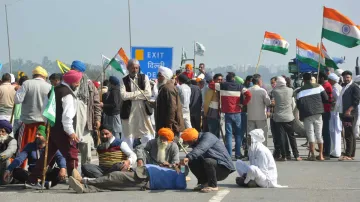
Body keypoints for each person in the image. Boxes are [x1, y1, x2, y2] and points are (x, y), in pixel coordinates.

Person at [27, 70, 82, 184]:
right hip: (63, 130)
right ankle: (75, 180)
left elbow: (44, 111)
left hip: (51, 128)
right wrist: (70, 132)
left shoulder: (53, 90)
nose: (78, 84)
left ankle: (33, 178)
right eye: (77, 82)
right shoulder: (67, 94)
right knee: (72, 153)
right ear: (72, 81)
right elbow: (67, 116)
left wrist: (49, 126)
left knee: (47, 154)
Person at [14, 66, 51, 168]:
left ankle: (19, 171)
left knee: (23, 149)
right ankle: (40, 170)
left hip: (28, 123)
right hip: (43, 124)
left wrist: (18, 90)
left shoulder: (27, 84)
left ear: (33, 75)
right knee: (41, 149)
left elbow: (17, 100)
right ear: (44, 76)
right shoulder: (48, 86)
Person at [68, 163, 186, 193]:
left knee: (114, 177)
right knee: (113, 185)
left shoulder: (180, 178)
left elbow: (181, 185)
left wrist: (180, 171)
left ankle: (84, 181)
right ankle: (84, 188)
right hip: (142, 173)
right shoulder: (172, 171)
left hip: (145, 179)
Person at [181, 128, 235, 193]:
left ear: (194, 139)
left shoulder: (208, 137)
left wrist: (188, 157)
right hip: (212, 166)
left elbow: (201, 148)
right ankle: (204, 183)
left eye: (188, 142)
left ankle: (213, 186)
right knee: (193, 160)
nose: (188, 144)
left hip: (223, 168)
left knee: (208, 161)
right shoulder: (196, 142)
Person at [214, 72, 252, 159]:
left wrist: (220, 81)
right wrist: (243, 104)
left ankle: (229, 154)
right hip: (237, 112)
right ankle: (238, 154)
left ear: (226, 79)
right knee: (238, 134)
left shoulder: (222, 85)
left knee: (229, 134)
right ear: (233, 79)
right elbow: (249, 95)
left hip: (227, 113)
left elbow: (211, 85)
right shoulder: (239, 86)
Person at [71, 60, 101, 165]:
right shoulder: (67, 83)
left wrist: (97, 119)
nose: (73, 72)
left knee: (85, 150)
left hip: (86, 122)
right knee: (70, 149)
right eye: (72, 69)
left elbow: (96, 104)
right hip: (70, 121)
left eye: (75, 70)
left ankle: (85, 170)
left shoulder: (89, 85)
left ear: (81, 71)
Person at [120, 59, 155, 148]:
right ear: (128, 68)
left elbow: (148, 94)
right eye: (133, 68)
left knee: (146, 132)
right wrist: (139, 93)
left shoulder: (144, 77)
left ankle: (147, 153)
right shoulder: (123, 80)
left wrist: (131, 96)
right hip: (129, 110)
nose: (135, 70)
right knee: (129, 134)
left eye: (136, 68)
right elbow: (123, 96)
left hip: (142, 109)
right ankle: (130, 157)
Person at [296, 73, 328, 161]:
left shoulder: (300, 91)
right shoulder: (319, 87)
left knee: (310, 134)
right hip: (318, 113)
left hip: (307, 114)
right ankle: (321, 155)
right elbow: (326, 98)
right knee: (319, 134)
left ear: (303, 80)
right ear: (311, 79)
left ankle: (312, 155)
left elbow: (298, 105)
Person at [272, 76, 301, 161]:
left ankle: (284, 156)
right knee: (291, 136)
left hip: (278, 118)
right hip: (289, 117)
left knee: (281, 137)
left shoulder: (275, 91)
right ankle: (296, 155)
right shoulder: (290, 90)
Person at [336, 71, 360, 161]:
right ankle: (350, 153)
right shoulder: (344, 86)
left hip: (350, 114)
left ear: (351, 78)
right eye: (345, 77)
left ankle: (348, 154)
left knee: (348, 134)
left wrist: (349, 110)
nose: (346, 79)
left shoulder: (354, 87)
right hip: (344, 113)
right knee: (350, 133)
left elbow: (356, 101)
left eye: (348, 77)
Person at [155, 66, 185, 136]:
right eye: (157, 75)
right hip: (165, 123)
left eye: (159, 76)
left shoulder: (168, 88)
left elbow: (172, 108)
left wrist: (169, 126)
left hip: (170, 126)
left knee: (169, 145)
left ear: (165, 77)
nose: (158, 78)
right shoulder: (164, 87)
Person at [247, 74, 271, 146]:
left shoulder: (248, 90)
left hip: (250, 116)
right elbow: (268, 102)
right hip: (261, 117)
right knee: (262, 136)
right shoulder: (262, 91)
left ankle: (251, 152)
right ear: (259, 81)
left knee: (251, 136)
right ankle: (262, 152)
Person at [318, 72, 333, 160]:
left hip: (325, 110)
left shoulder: (326, 86)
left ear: (322, 78)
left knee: (326, 132)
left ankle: (326, 152)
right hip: (324, 110)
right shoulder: (325, 85)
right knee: (323, 132)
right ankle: (324, 150)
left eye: (319, 78)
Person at [328, 73, 342, 158]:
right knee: (335, 132)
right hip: (336, 112)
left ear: (332, 80)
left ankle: (335, 152)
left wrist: (331, 102)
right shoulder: (338, 86)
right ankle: (334, 151)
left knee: (334, 132)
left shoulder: (335, 88)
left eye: (329, 80)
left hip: (335, 112)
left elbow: (338, 100)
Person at [204, 74, 223, 138]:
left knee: (217, 131)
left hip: (219, 113)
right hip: (212, 112)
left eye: (221, 80)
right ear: (214, 80)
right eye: (218, 79)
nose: (220, 81)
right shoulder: (211, 89)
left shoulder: (221, 89)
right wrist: (205, 113)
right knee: (212, 131)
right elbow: (207, 102)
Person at [0, 120, 17, 185]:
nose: (0, 133)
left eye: (2, 131)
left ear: (7, 132)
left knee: (7, 161)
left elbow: (10, 151)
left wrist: (1, 156)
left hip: (5, 164)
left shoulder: (12, 141)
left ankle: (8, 179)